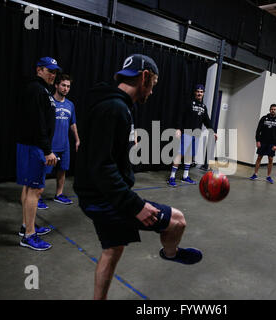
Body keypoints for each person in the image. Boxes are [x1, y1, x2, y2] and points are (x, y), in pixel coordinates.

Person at [73, 54, 203, 300]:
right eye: (153, 83)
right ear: (144, 77)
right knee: (178, 221)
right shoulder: (115, 108)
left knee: (113, 249)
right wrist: (136, 206)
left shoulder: (109, 102)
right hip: (105, 200)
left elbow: (96, 153)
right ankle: (171, 254)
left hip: (96, 195)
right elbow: (102, 167)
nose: (152, 91)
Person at [16, 57, 60, 250]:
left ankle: (27, 226)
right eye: (49, 70)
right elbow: (37, 122)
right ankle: (29, 236)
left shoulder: (41, 89)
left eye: (55, 71)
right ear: (39, 70)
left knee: (28, 188)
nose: (53, 74)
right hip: (34, 146)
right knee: (36, 190)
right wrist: (47, 150)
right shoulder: (36, 89)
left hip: (32, 145)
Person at [40, 74, 80, 209]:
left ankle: (59, 194)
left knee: (62, 170)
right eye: (63, 85)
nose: (66, 88)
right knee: (43, 172)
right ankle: (37, 197)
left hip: (65, 145)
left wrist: (77, 140)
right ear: (56, 85)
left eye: (68, 86)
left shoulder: (70, 105)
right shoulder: (49, 101)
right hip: (50, 146)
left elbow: (72, 123)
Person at [168, 84, 217, 187]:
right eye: (198, 91)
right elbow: (181, 116)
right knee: (180, 154)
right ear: (195, 92)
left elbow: (207, 121)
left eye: (201, 92)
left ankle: (185, 177)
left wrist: (213, 131)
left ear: (203, 93)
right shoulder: (189, 103)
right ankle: (172, 177)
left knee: (190, 155)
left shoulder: (203, 107)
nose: (199, 93)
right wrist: (178, 128)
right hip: (187, 132)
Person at [249, 104, 276, 184]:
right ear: (269, 110)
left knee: (270, 159)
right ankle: (255, 174)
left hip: (272, 143)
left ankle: (268, 176)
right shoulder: (264, 118)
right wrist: (258, 141)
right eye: (271, 109)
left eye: (274, 109)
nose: (273, 110)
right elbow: (258, 130)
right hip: (263, 142)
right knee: (259, 157)